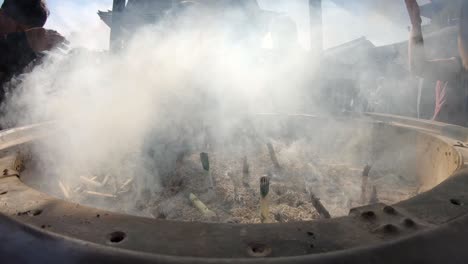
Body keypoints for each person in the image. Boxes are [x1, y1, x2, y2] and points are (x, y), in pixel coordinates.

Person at [406, 0, 468, 126]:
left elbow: (419, 67)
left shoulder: (458, 67)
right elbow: (419, 67)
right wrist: (415, 23)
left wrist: (415, 23)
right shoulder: (457, 66)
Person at [0, 0, 66, 88]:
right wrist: (24, 41)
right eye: (19, 28)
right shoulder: (19, 44)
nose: (18, 34)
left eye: (29, 32)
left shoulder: (26, 53)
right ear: (1, 14)